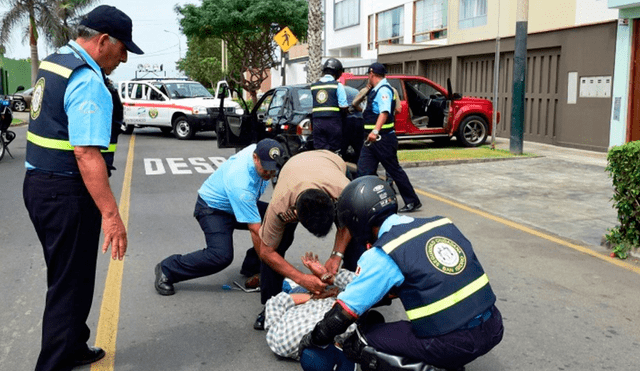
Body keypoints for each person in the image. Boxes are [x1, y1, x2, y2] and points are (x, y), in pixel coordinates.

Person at [22, 5, 142, 371]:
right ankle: (55, 363)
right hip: (66, 194)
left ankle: (73, 344)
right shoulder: (88, 81)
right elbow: (87, 154)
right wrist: (111, 215)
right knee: (69, 285)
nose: (123, 59)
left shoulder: (57, 60)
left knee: (69, 275)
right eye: (123, 50)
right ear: (103, 41)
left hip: (41, 186)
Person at [299, 176, 504, 371]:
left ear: (358, 221)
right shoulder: (442, 224)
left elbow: (342, 314)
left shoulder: (385, 252)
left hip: (453, 343)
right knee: (379, 322)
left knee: (360, 342)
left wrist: (313, 339)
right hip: (493, 326)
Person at [154, 139, 286, 295]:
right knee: (221, 256)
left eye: (273, 169)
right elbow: (257, 231)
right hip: (213, 209)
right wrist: (270, 268)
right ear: (255, 158)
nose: (270, 174)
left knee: (284, 219)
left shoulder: (260, 151)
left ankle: (253, 267)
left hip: (238, 203)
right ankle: (167, 269)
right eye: (266, 170)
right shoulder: (241, 183)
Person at [254, 149, 358, 330]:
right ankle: (269, 304)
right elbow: (265, 251)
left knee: (356, 240)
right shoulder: (280, 205)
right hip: (293, 168)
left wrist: (336, 255)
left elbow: (348, 223)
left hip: (330, 161)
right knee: (278, 246)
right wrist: (302, 278)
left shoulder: (343, 191)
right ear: (296, 216)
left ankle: (353, 299)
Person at [265, 252, 357, 371]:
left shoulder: (283, 342)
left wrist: (314, 296)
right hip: (336, 296)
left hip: (303, 296)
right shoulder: (348, 330)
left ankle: (286, 281)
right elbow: (362, 288)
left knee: (291, 286)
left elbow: (276, 302)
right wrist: (328, 278)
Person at [356, 63, 422, 213]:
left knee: (394, 170)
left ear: (372, 74)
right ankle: (364, 202)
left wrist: (375, 131)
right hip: (371, 140)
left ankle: (412, 201)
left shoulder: (383, 90)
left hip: (382, 139)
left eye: (368, 75)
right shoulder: (375, 90)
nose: (368, 77)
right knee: (363, 171)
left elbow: (384, 112)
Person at [311, 58, 349, 152]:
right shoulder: (337, 85)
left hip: (317, 123)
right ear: (337, 72)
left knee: (320, 151)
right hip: (333, 123)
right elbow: (343, 106)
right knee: (334, 150)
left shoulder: (314, 86)